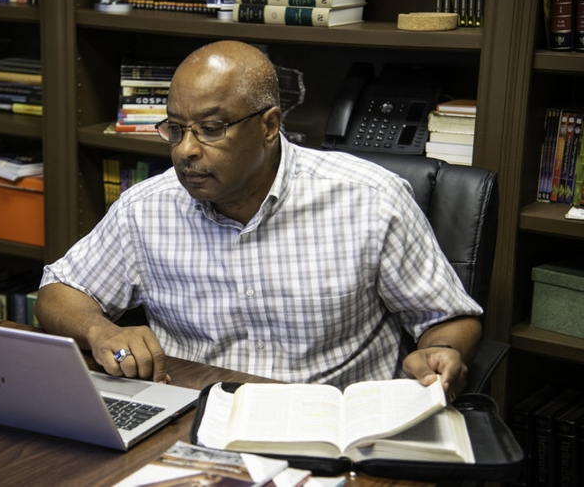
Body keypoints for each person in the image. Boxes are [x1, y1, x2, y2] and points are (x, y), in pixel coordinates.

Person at [35, 40, 482, 399]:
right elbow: (58, 291)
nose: (186, 150)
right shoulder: (146, 208)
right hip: (193, 422)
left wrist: (440, 353)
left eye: (211, 129)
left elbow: (449, 317)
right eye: (175, 128)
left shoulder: (370, 199)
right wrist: (101, 329)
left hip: (330, 426)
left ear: (269, 125)